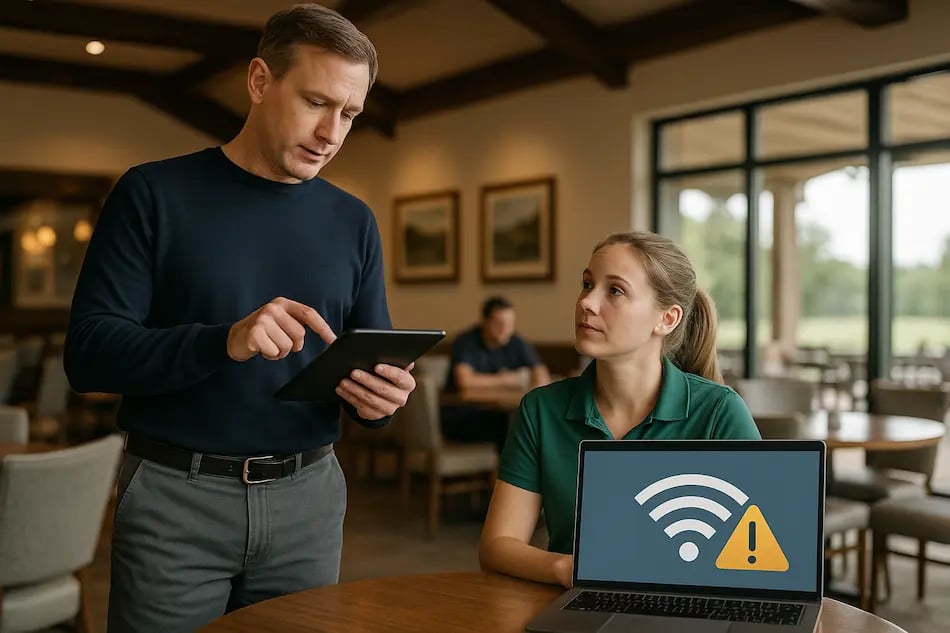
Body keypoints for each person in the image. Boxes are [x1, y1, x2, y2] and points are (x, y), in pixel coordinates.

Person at [63, 5, 415, 632]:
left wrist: (381, 397)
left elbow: (367, 360)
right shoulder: (152, 195)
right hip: (177, 498)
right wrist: (221, 341)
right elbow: (89, 354)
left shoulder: (354, 220)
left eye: (350, 114)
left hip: (310, 498)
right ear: (259, 81)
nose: (333, 132)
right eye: (316, 102)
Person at [478, 231, 761, 588]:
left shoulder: (720, 413)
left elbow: (760, 556)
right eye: (587, 284)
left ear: (667, 319)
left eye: (615, 290)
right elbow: (497, 546)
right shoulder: (541, 409)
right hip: (572, 608)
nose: (587, 303)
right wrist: (568, 569)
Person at [441, 297, 550, 453]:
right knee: (513, 427)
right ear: (485, 322)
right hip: (462, 416)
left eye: (510, 324)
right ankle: (508, 476)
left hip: (498, 413)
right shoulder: (467, 341)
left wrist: (535, 385)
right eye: (499, 324)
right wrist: (510, 379)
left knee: (530, 423)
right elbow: (465, 381)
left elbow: (540, 373)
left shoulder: (515, 341)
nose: (506, 329)